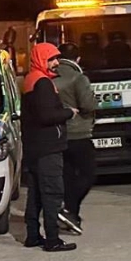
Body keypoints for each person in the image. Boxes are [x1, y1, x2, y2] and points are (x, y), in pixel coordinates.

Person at [21, 42, 76, 252]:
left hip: (34, 147)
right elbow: (46, 116)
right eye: (52, 59)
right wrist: (69, 112)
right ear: (41, 59)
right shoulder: (42, 83)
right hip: (48, 148)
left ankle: (33, 236)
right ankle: (53, 239)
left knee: (35, 194)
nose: (56, 63)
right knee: (52, 192)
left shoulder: (30, 80)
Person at [53, 42, 97, 235]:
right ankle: (69, 209)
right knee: (88, 174)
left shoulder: (49, 76)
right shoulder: (78, 78)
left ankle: (71, 215)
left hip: (58, 134)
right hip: (79, 133)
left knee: (68, 176)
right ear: (78, 58)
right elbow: (88, 105)